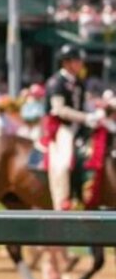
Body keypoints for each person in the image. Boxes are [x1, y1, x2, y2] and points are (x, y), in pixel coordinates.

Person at [43, 44, 97, 210]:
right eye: (77, 60)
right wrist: (85, 117)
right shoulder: (56, 82)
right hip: (62, 127)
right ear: (66, 63)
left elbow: (84, 104)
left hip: (79, 127)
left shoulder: (79, 82)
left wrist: (97, 112)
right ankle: (61, 201)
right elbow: (59, 110)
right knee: (63, 163)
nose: (81, 64)